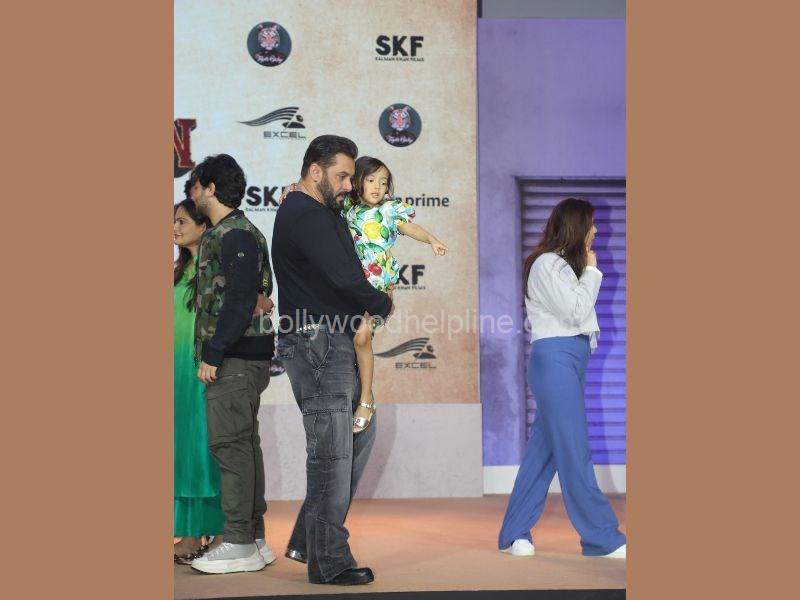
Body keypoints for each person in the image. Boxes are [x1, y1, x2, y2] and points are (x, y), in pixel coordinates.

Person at [271, 135, 393, 585]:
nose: (348, 185)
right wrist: (381, 303)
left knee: (356, 437)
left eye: (351, 177)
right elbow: (343, 277)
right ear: (315, 171)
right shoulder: (305, 213)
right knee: (332, 455)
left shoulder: (314, 208)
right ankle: (330, 561)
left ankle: (310, 540)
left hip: (326, 339)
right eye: (341, 176)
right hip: (317, 341)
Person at [498, 198, 627, 559]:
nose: (596, 231)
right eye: (591, 224)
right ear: (576, 226)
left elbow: (580, 319)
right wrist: (592, 272)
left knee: (544, 452)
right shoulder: (547, 263)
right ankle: (601, 537)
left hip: (569, 359)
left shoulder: (564, 266)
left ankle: (513, 534)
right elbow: (575, 311)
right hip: (554, 359)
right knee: (574, 447)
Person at [186, 154, 278, 574]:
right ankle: (253, 539)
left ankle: (239, 541)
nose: (191, 194)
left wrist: (214, 352)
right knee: (243, 445)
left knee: (231, 447)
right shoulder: (233, 231)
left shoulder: (234, 233)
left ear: (210, 188)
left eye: (195, 186)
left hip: (236, 357)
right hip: (243, 356)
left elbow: (241, 299)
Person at [172, 192, 224, 564]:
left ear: (203, 227)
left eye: (182, 221)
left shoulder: (214, 272)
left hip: (204, 372)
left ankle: (222, 532)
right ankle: (189, 533)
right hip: (177, 376)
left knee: (208, 450)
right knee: (185, 452)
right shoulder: (177, 272)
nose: (174, 228)